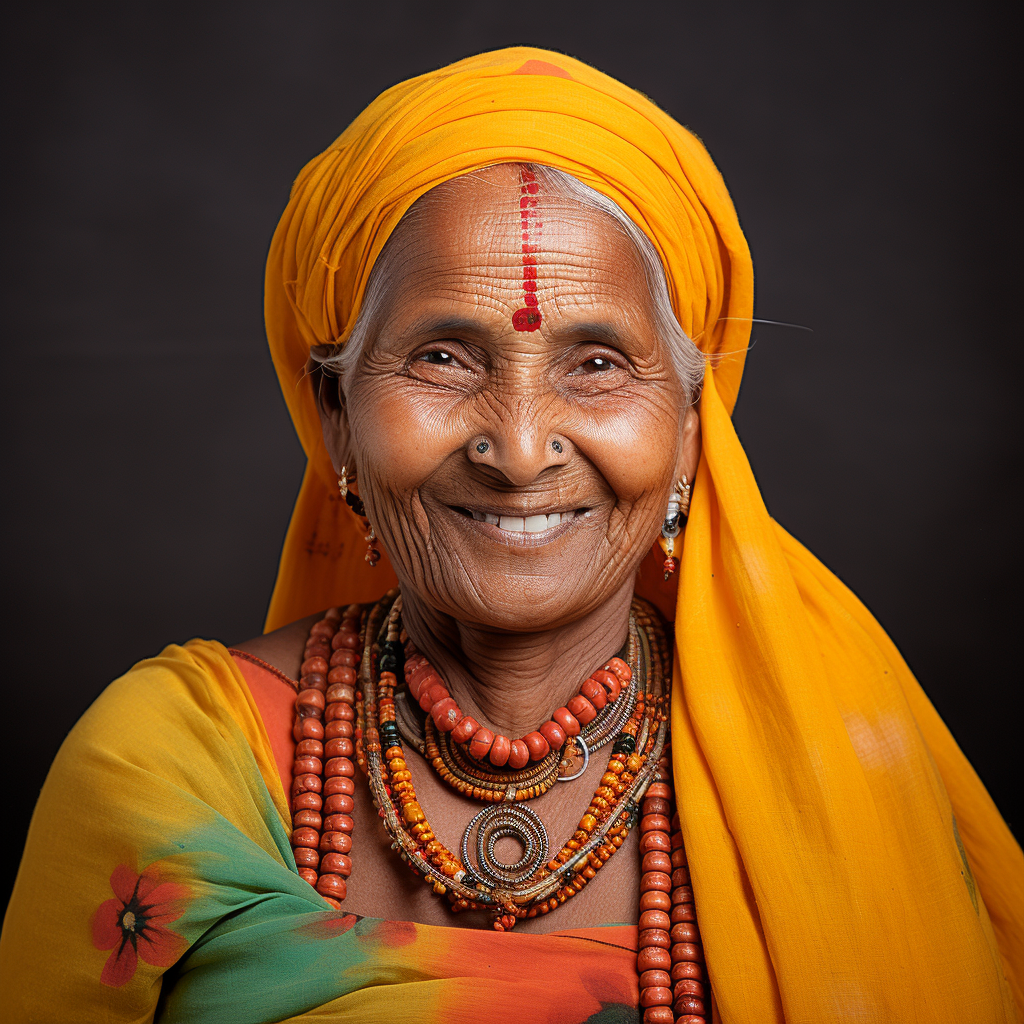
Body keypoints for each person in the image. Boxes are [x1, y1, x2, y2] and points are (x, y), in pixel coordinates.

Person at [1, 46, 1020, 1024]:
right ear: (335, 416)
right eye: (443, 357)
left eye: (598, 364)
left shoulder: (837, 780)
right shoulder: (162, 767)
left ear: (689, 427)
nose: (522, 448)